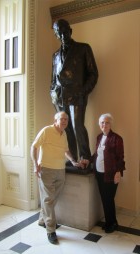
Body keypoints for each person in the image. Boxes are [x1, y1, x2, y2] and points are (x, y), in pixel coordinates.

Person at [50, 19, 98, 165]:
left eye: (65, 32)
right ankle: (73, 160)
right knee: (67, 129)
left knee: (78, 126)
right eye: (59, 33)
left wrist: (83, 92)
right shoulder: (55, 55)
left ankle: (85, 158)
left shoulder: (83, 48)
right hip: (60, 97)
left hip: (77, 95)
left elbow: (93, 73)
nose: (63, 36)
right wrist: (52, 93)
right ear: (56, 35)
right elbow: (53, 79)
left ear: (70, 31)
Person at [30, 111, 80, 244]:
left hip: (60, 171)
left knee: (51, 199)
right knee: (48, 199)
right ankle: (50, 230)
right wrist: (35, 165)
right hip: (46, 169)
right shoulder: (46, 131)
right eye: (62, 119)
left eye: (66, 120)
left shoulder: (64, 134)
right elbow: (34, 147)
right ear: (55, 120)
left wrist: (73, 161)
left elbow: (66, 150)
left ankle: (42, 220)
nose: (64, 121)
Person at [93, 113, 125, 233]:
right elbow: (97, 154)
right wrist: (87, 160)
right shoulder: (99, 137)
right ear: (99, 124)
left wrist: (118, 172)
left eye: (107, 122)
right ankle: (109, 222)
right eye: (102, 122)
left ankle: (113, 223)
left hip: (111, 174)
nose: (104, 125)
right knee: (104, 198)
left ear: (110, 124)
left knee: (109, 199)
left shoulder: (117, 138)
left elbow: (120, 158)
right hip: (99, 174)